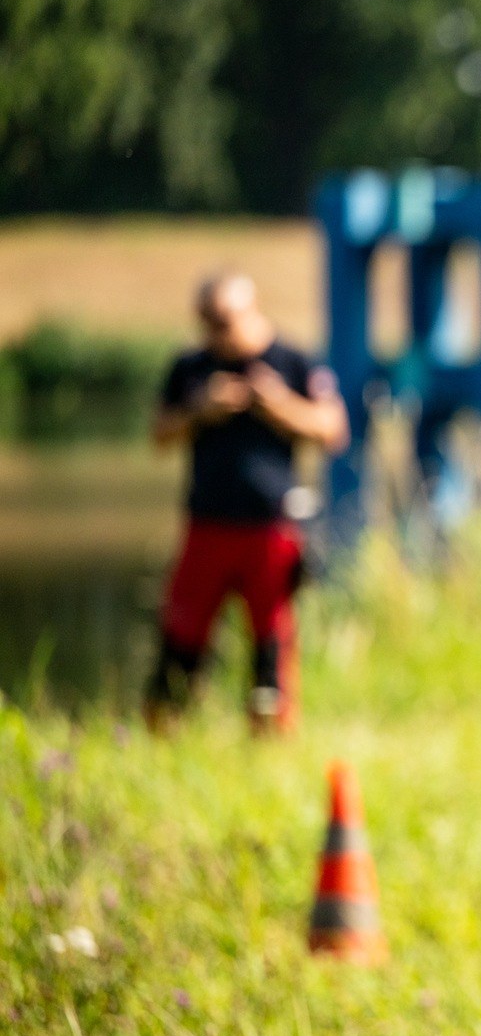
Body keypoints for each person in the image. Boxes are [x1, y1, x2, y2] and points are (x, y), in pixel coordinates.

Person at [145, 273, 347, 733]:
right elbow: (158, 434)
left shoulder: (291, 360)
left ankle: (270, 742)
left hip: (271, 530)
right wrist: (202, 409)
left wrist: (277, 404)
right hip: (206, 527)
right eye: (207, 321)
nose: (216, 331)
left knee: (271, 645)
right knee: (181, 636)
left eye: (224, 320)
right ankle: (164, 734)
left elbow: (333, 430)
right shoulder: (191, 367)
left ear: (252, 308)